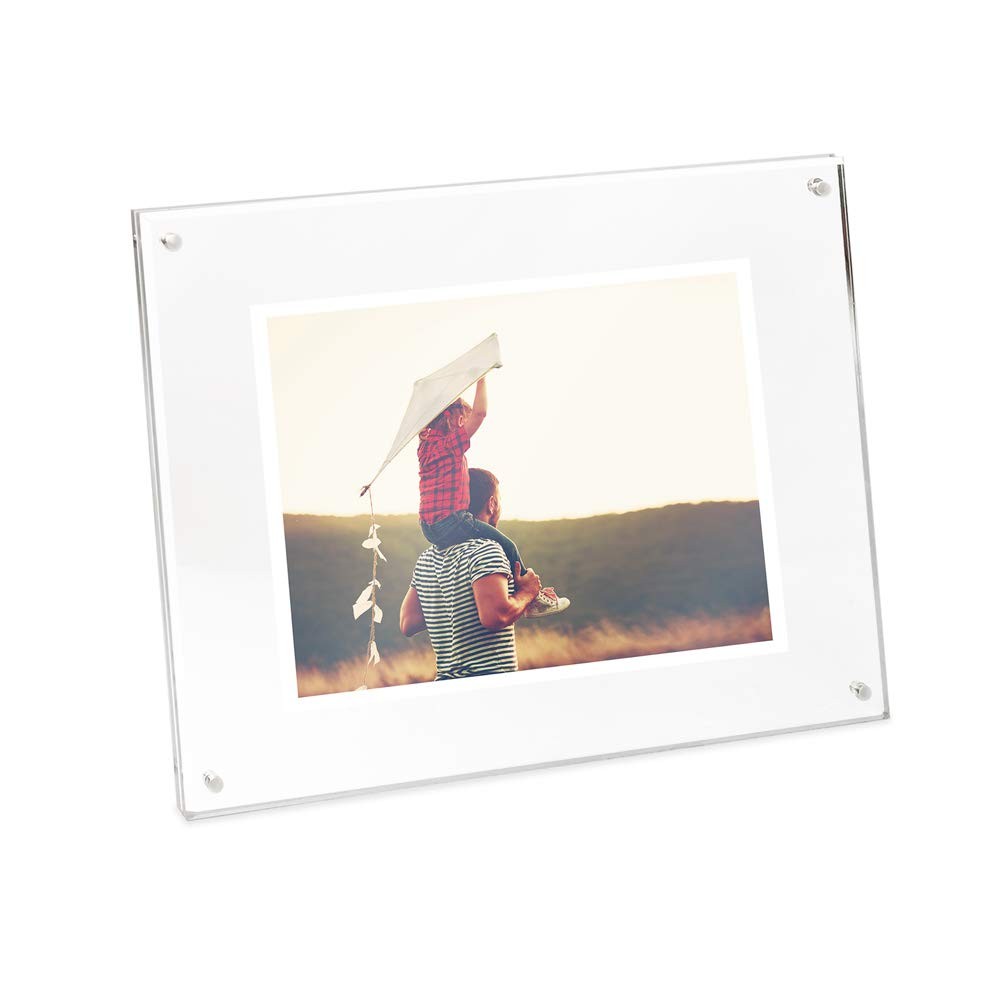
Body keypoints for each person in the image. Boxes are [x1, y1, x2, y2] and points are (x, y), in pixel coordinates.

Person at [416, 374, 569, 618]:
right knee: (508, 545)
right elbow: (480, 414)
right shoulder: (449, 445)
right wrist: (481, 378)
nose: (467, 424)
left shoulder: (424, 448)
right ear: (456, 419)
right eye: (464, 419)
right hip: (452, 521)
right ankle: (532, 597)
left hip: (428, 527)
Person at [400, 467, 544, 680]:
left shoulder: (426, 559)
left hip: (446, 685)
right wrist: (527, 593)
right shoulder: (486, 549)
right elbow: (496, 616)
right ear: (492, 504)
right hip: (488, 684)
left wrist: (456, 603)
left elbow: (408, 622)